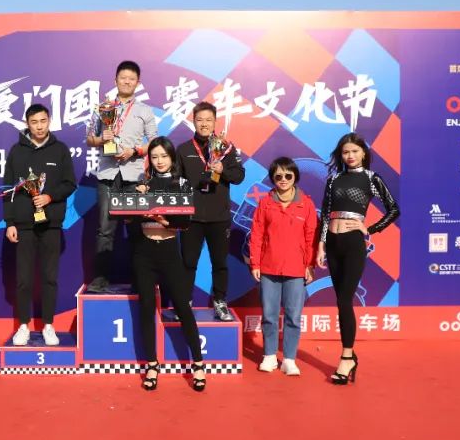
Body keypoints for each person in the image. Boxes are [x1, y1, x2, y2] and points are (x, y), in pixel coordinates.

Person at [315, 133, 400, 385]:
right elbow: (325, 214)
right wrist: (321, 244)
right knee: (340, 302)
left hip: (353, 244)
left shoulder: (371, 179)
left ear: (363, 152)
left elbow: (394, 209)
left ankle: (346, 357)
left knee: (344, 300)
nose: (350, 156)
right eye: (345, 152)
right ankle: (349, 356)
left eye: (354, 151)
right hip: (332, 244)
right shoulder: (334, 179)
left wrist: (369, 229)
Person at [126, 137, 206, 392]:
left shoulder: (181, 184)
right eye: (155, 157)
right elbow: (127, 219)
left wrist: (164, 220)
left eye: (164, 156)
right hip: (144, 253)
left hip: (170, 252)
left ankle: (198, 364)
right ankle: (152, 364)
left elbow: (186, 223)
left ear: (172, 157)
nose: (159, 161)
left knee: (182, 306)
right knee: (146, 308)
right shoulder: (143, 184)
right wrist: (135, 203)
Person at [3, 104, 78, 346]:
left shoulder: (60, 150)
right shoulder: (17, 151)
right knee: (24, 279)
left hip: (51, 224)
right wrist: (10, 222)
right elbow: (7, 188)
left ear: (49, 121)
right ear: (27, 124)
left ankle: (48, 325)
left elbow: (70, 183)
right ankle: (23, 325)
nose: (39, 126)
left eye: (43, 121)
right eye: (34, 122)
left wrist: (50, 197)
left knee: (49, 278)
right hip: (24, 225)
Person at [85, 60, 157, 293]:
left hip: (133, 176)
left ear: (138, 83)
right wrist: (102, 139)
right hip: (108, 174)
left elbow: (154, 142)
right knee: (105, 230)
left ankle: (140, 279)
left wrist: (134, 151)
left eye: (131, 79)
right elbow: (90, 139)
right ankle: (100, 279)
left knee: (136, 229)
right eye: (123, 77)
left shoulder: (144, 110)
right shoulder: (103, 108)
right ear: (115, 80)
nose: (127, 82)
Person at [175, 101, 245, 321]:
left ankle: (220, 302)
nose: (204, 124)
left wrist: (223, 170)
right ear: (193, 121)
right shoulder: (183, 149)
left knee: (220, 263)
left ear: (215, 122)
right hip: (192, 217)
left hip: (219, 217)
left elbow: (239, 176)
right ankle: (184, 303)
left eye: (208, 120)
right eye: (199, 120)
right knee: (188, 263)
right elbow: (175, 180)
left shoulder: (226, 148)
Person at [249, 157, 318, 376]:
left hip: (296, 269)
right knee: (269, 315)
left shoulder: (306, 204)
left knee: (293, 317)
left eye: (288, 175)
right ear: (273, 178)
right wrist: (255, 263)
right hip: (268, 268)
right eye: (278, 176)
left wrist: (310, 265)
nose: (283, 179)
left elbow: (311, 237)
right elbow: (257, 234)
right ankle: (269, 356)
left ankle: (289, 359)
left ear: (295, 176)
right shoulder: (265, 203)